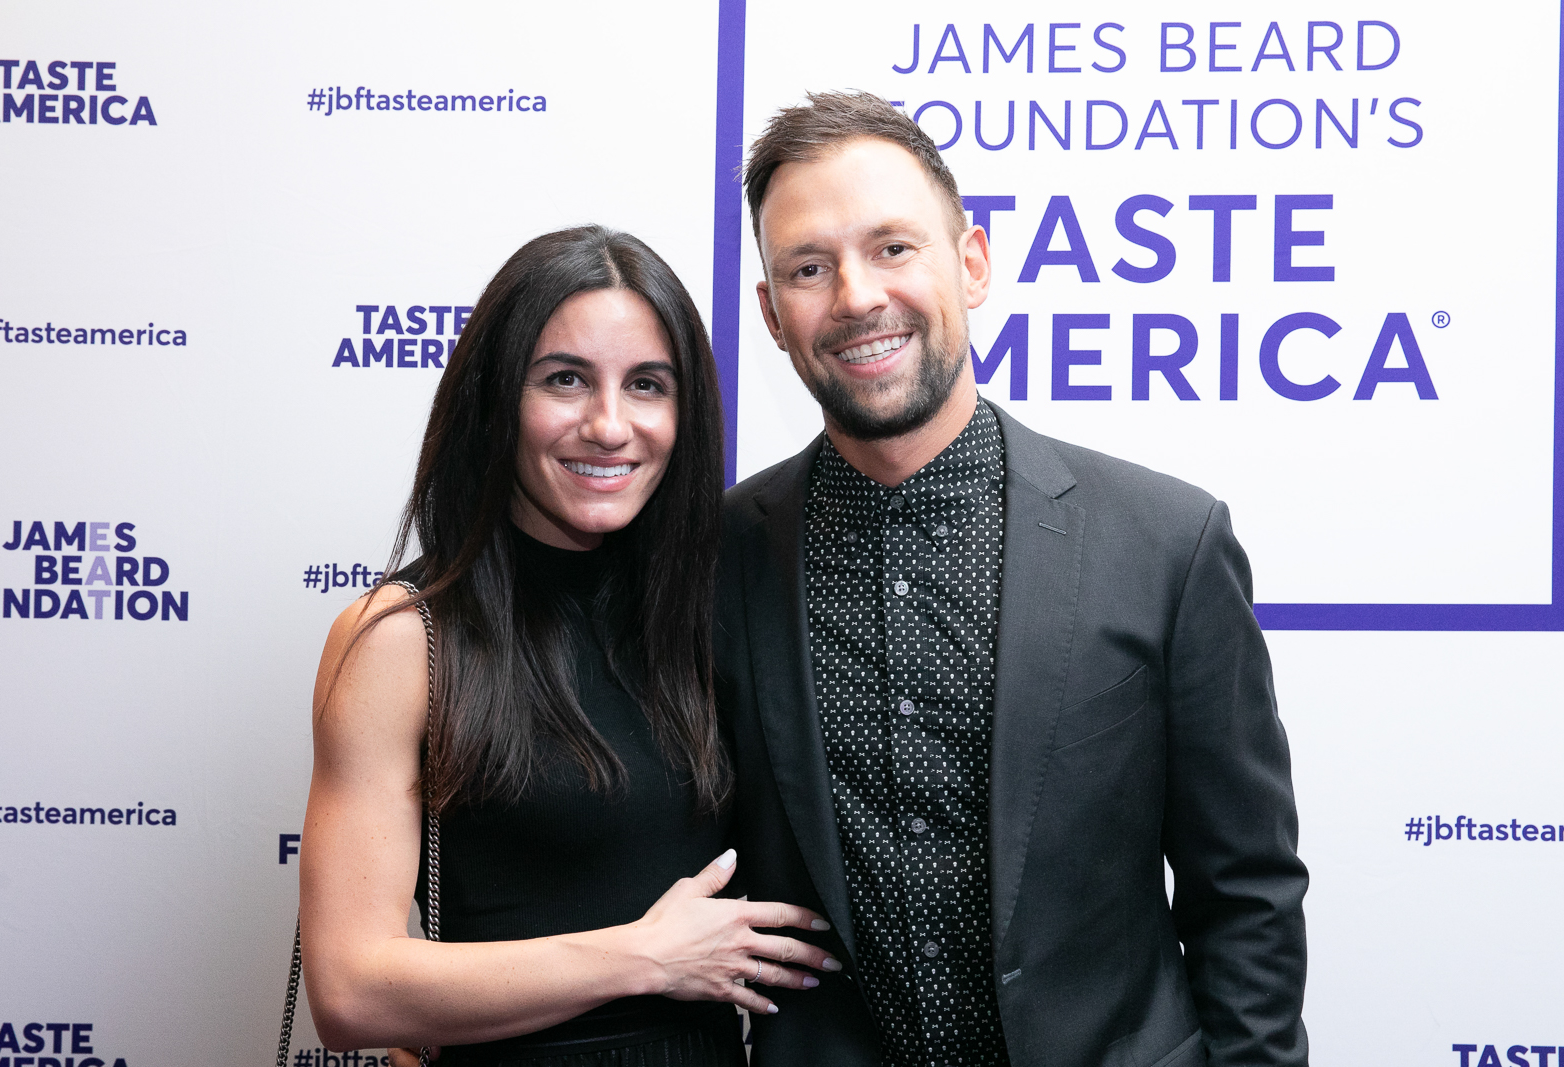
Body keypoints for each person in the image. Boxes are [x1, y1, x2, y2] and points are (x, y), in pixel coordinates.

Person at [716, 91, 1309, 1067]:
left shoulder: (1165, 542)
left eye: (893, 247)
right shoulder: (714, 558)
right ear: (773, 315)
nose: (856, 294)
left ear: (973, 262)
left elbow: (1246, 894)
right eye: (808, 268)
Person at [299, 225, 840, 1067]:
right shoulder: (404, 638)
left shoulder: (717, 609)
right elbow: (350, 991)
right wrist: (645, 956)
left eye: (648, 385)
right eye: (565, 380)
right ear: (497, 398)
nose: (609, 424)